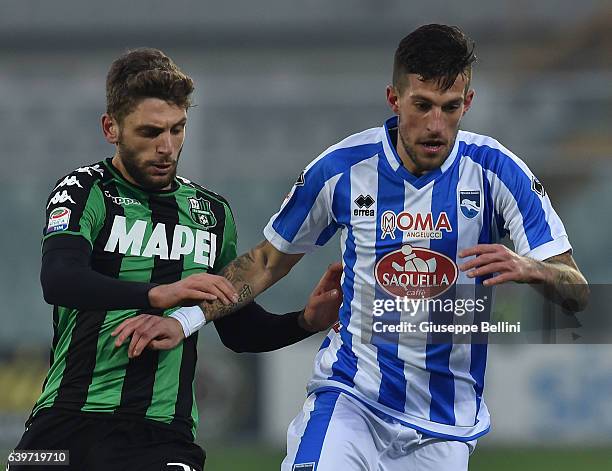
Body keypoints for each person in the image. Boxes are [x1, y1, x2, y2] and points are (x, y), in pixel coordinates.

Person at [130, 24, 589, 470]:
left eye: (450, 108)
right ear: (394, 99)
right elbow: (265, 263)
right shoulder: (342, 170)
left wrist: (536, 269)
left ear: (467, 103)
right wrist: (185, 320)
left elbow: (578, 291)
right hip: (352, 401)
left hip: (444, 426)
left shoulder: (497, 171)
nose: (435, 125)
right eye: (422, 105)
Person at [10, 48, 342, 471]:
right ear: (111, 128)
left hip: (160, 436)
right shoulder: (84, 190)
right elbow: (59, 279)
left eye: (177, 129)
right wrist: (159, 293)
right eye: (150, 132)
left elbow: (238, 329)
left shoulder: (211, 213)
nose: (167, 147)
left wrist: (304, 322)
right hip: (62, 426)